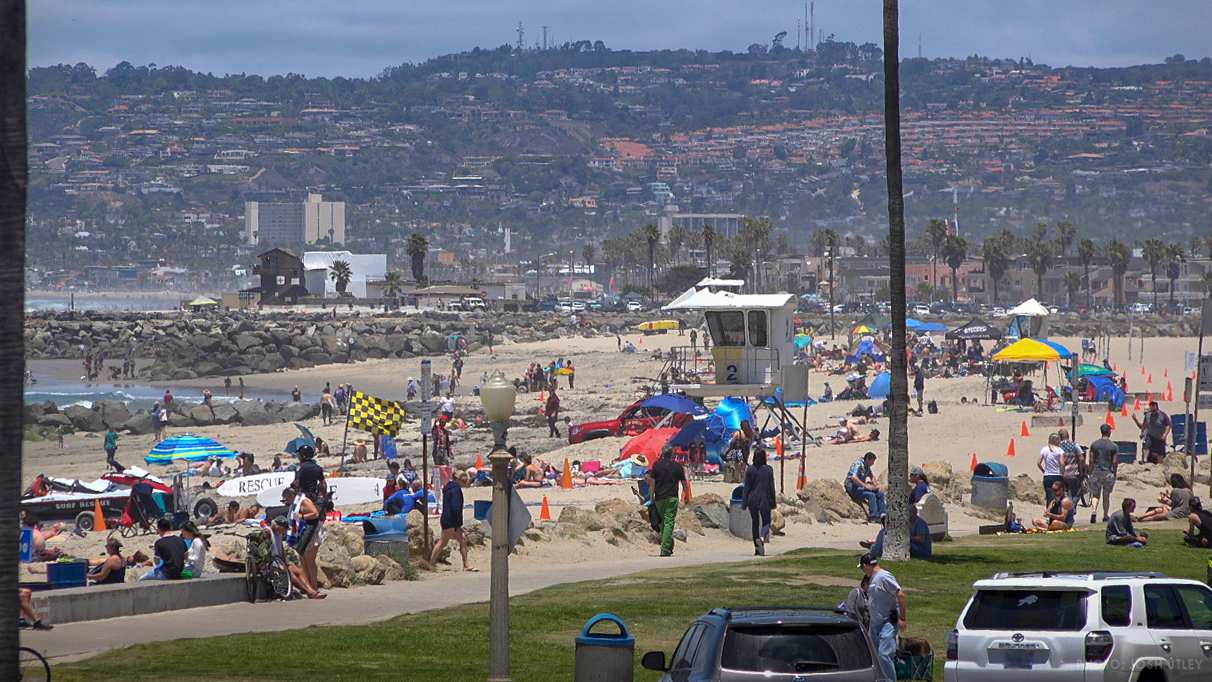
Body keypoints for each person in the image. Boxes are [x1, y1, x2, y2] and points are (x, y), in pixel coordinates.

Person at [860, 553, 906, 682]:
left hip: (887, 622)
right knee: (875, 657)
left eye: (862, 568)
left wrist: (902, 618)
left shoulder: (884, 576)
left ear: (865, 566)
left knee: (884, 654)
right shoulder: (873, 578)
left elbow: (900, 595)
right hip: (875, 624)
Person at [269, 516, 326, 599]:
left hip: (279, 562)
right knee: (289, 573)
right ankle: (310, 592)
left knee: (300, 570)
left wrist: (284, 563)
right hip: (271, 563)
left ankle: (310, 590)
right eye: (284, 529)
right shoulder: (268, 533)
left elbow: (280, 551)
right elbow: (266, 553)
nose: (285, 531)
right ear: (278, 526)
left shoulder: (279, 535)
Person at [646, 445, 688, 557]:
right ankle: (665, 548)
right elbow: (684, 483)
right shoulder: (677, 466)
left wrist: (651, 498)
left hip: (659, 498)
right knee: (669, 522)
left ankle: (668, 546)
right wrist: (686, 496)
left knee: (664, 523)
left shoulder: (656, 466)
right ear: (672, 454)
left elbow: (652, 483)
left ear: (662, 453)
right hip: (672, 497)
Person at [430, 471, 476, 571]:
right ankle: (431, 564)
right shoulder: (455, 490)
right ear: (458, 480)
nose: (466, 481)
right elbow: (455, 508)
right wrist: (458, 524)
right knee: (443, 542)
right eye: (464, 480)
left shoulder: (449, 488)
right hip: (451, 520)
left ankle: (466, 565)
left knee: (462, 540)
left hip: (449, 519)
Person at [282, 485, 322, 592]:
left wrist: (302, 517)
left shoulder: (303, 501)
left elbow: (315, 513)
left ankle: (314, 587)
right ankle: (308, 585)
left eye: (286, 499)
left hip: (311, 532)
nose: (286, 502)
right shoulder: (295, 503)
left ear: (290, 496)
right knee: (303, 560)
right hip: (303, 532)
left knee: (309, 560)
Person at [863, 505, 933, 559]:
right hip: (910, 546)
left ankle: (874, 549)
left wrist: (906, 537)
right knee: (885, 532)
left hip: (922, 550)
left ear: (914, 513)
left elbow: (921, 539)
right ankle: (875, 546)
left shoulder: (920, 523)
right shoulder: (907, 522)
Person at [742, 447, 776, 556]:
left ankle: (757, 549)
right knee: (766, 522)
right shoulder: (769, 469)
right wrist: (773, 501)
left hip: (752, 499)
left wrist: (744, 502)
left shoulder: (750, 469)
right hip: (765, 499)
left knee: (755, 523)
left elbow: (746, 487)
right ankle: (762, 538)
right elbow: (771, 487)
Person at [1087, 423, 1120, 523]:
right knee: (1106, 495)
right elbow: (1114, 462)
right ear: (1109, 432)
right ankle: (1105, 515)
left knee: (1095, 494)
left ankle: (1093, 511)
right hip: (1108, 472)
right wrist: (1114, 472)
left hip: (1096, 471)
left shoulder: (1094, 444)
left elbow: (1091, 460)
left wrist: (1090, 471)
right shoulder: (1114, 446)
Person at [845, 452, 886, 522]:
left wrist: (876, 486)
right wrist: (866, 486)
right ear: (867, 459)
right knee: (871, 495)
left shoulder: (867, 466)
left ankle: (883, 513)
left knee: (880, 493)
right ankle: (874, 516)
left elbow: (871, 476)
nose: (873, 464)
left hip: (861, 486)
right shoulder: (858, 464)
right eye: (872, 461)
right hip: (852, 487)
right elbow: (854, 478)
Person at [1057, 428, 1085, 504]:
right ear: (1068, 436)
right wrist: (1081, 470)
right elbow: (1081, 458)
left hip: (1061, 474)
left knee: (1065, 492)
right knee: (1077, 492)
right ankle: (1072, 507)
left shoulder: (1057, 447)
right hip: (1073, 473)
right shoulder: (1074, 445)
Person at [1037, 433, 1065, 504]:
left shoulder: (1044, 449)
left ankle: (1049, 512)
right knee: (1058, 496)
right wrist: (1062, 472)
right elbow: (1062, 463)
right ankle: (1056, 512)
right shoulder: (1060, 450)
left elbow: (1038, 463)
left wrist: (1043, 471)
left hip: (1047, 476)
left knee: (1049, 496)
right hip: (1057, 475)